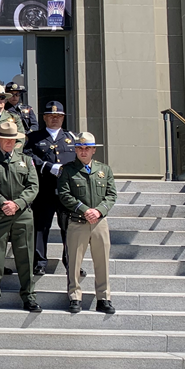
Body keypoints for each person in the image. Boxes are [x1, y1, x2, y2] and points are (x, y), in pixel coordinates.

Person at [0, 121, 41, 312]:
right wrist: (2, 203)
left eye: (12, 140)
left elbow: (33, 186)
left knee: (25, 257)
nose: (8, 143)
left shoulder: (26, 160)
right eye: (5, 139)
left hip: (22, 215)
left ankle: (29, 296)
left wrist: (17, 203)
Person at [57, 132, 118, 314]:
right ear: (75, 150)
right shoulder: (67, 170)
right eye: (80, 148)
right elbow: (64, 195)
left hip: (99, 223)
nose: (83, 152)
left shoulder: (104, 170)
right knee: (74, 262)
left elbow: (111, 194)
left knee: (102, 262)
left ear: (93, 150)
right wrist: (85, 210)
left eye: (87, 148)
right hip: (77, 222)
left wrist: (99, 211)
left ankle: (104, 298)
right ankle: (75, 297)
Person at [23, 101, 81, 277]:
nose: (54, 119)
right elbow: (27, 156)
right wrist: (47, 166)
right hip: (44, 189)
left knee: (69, 229)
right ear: (44, 118)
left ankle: (71, 263)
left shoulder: (73, 138)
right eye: (50, 116)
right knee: (41, 227)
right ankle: (39, 262)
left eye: (58, 116)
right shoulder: (33, 138)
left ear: (63, 118)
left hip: (66, 191)